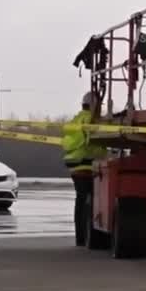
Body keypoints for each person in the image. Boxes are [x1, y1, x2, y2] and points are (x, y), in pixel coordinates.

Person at [62, 93, 106, 246]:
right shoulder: (90, 119)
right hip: (85, 164)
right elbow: (98, 135)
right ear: (94, 105)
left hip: (75, 164)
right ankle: (88, 235)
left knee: (81, 200)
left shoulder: (76, 119)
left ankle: (80, 237)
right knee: (89, 201)